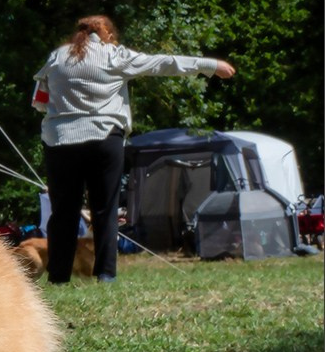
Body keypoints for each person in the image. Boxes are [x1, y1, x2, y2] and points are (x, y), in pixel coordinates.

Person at [32, 15, 236, 284]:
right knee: (105, 208)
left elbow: (39, 100)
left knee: (63, 212)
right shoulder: (113, 55)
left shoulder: (57, 57)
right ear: (105, 34)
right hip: (103, 137)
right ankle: (105, 274)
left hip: (60, 141)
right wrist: (211, 65)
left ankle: (58, 276)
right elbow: (163, 62)